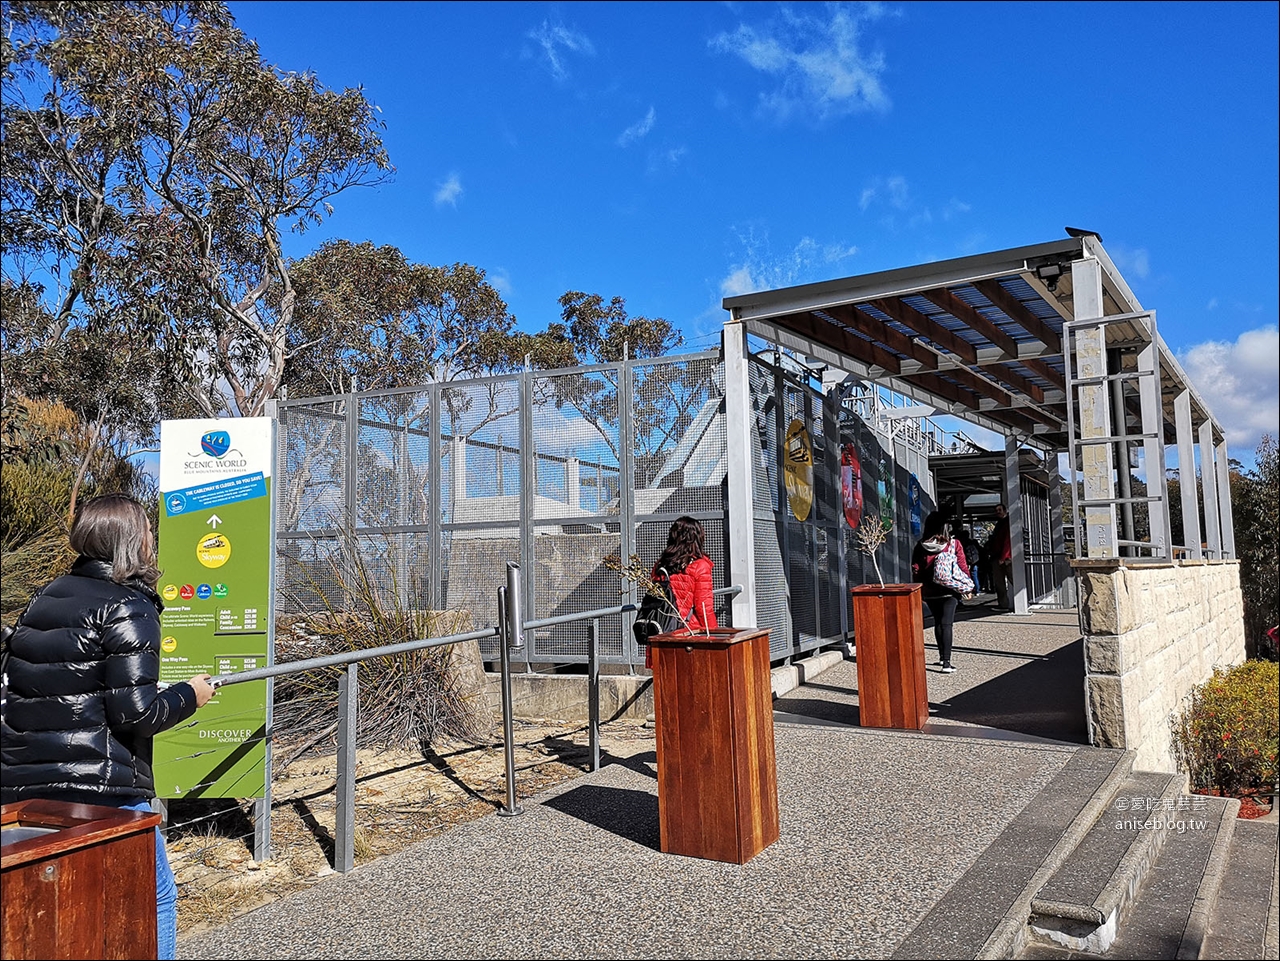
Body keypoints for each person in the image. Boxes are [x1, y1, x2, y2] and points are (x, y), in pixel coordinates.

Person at [1, 493, 216, 959]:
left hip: (24, 792)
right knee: (151, 899)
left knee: (56, 919)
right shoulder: (128, 607)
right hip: (106, 793)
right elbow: (135, 714)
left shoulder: (44, 599)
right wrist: (189, 694)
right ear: (135, 540)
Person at [912, 511, 970, 674]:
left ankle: (941, 657)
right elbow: (962, 565)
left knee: (938, 622)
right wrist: (967, 586)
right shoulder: (954, 544)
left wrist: (921, 589)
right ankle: (946, 662)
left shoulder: (920, 545)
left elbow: (916, 569)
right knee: (947, 624)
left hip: (930, 591)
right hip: (949, 590)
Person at [652, 515, 718, 636]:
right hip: (688, 631)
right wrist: (714, 634)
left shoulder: (661, 565)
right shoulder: (700, 566)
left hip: (661, 629)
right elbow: (703, 608)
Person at [988, 503, 1013, 611]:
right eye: (996, 510)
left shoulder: (1006, 523)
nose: (998, 512)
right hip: (998, 556)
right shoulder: (1001, 523)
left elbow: (1008, 541)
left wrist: (1004, 556)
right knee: (999, 583)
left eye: (999, 510)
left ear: (1005, 510)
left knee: (1008, 580)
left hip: (1004, 557)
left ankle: (1006, 604)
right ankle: (1004, 604)